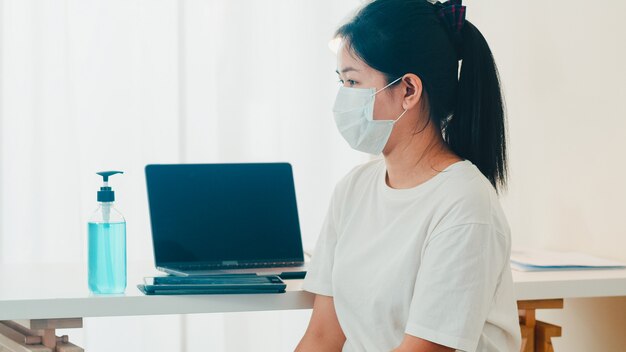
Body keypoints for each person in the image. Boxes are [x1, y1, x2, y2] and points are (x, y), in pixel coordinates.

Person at [295, 0, 521, 351]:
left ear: (408, 91)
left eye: (353, 81)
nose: (343, 98)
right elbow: (322, 336)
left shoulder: (465, 204)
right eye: (341, 81)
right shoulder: (353, 190)